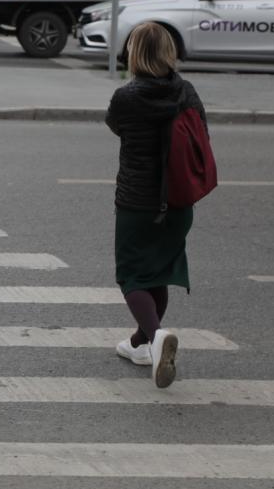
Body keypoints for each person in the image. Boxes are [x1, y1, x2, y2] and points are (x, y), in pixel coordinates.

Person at [106, 22, 207, 389]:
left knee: (133, 276)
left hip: (138, 203)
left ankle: (156, 335)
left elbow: (115, 126)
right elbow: (202, 134)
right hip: (179, 202)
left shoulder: (126, 97)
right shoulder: (186, 92)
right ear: (168, 52)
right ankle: (140, 343)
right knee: (158, 273)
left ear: (134, 54)